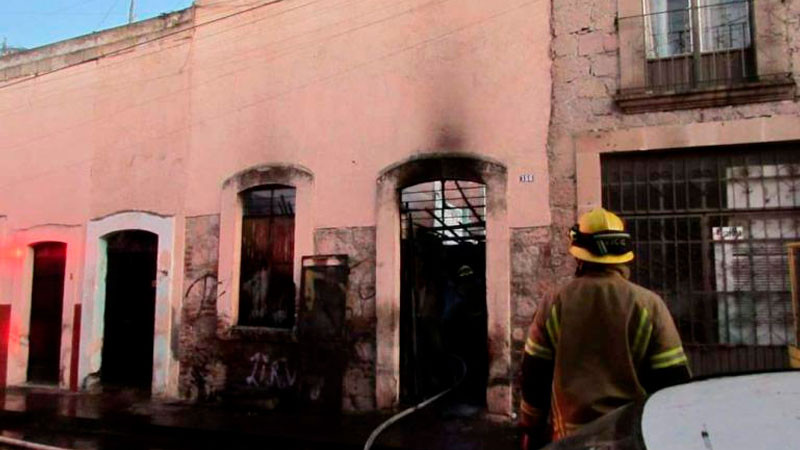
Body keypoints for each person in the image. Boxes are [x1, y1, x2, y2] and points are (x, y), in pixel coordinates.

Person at [519, 208, 691, 449]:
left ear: (579, 256)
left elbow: (534, 375)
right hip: (631, 435)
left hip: (571, 439)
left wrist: (531, 427)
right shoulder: (649, 305)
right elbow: (672, 382)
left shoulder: (555, 303)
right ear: (623, 254)